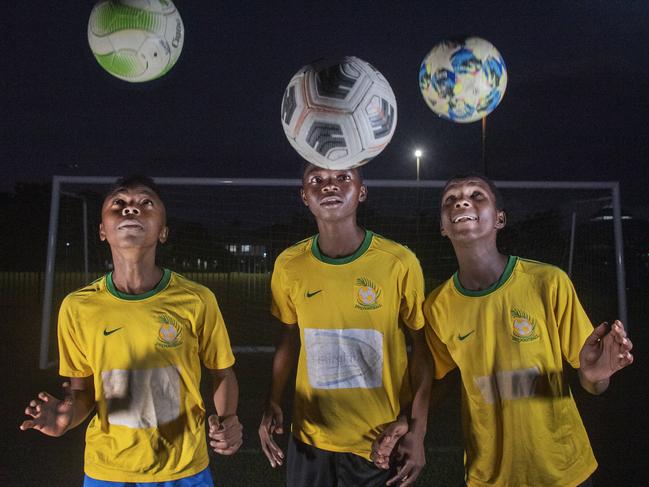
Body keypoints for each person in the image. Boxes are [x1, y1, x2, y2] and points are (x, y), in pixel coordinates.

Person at [375, 173, 634, 486]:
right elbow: (439, 380)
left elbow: (592, 380)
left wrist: (595, 376)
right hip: (489, 476)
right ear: (443, 227)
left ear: (499, 218)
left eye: (477, 194)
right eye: (450, 199)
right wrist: (412, 424)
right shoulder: (437, 306)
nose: (461, 200)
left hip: (565, 472)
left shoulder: (548, 283)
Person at [20, 175, 243, 486]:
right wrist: (67, 418)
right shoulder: (77, 307)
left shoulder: (197, 299)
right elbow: (83, 393)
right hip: (108, 470)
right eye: (119, 203)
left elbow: (222, 372)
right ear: (102, 230)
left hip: (185, 469)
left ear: (163, 231)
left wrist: (228, 419)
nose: (130, 209)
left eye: (145, 203)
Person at [258, 164, 432, 486]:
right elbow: (288, 339)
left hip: (378, 441)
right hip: (309, 440)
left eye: (343, 178)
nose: (329, 186)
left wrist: (417, 430)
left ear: (361, 192)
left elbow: (423, 349)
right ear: (304, 196)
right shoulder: (288, 264)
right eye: (317, 180)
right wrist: (272, 400)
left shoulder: (399, 262)